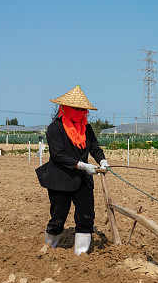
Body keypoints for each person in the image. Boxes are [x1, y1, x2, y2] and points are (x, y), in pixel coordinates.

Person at [36, 85, 109, 255]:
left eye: (82, 109)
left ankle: (81, 253)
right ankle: (50, 248)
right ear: (65, 108)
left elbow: (95, 148)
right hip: (60, 179)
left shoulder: (87, 129)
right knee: (58, 217)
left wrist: (102, 161)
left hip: (82, 180)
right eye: (76, 108)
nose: (79, 111)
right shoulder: (55, 128)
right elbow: (58, 155)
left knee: (86, 216)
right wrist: (83, 165)